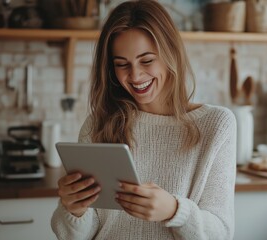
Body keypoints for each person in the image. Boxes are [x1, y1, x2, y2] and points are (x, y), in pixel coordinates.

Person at [51, 1, 236, 239]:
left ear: (171, 53)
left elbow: (221, 233)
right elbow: (76, 236)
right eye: (121, 64)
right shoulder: (98, 125)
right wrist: (74, 209)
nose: (135, 75)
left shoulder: (216, 125)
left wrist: (174, 210)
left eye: (147, 60)